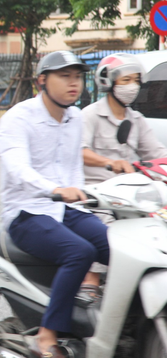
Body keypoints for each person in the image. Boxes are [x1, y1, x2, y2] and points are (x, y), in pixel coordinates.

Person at [0, 51, 109, 358]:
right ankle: (46, 335)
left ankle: (111, 323)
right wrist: (57, 189)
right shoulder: (17, 119)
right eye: (65, 77)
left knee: (116, 244)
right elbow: (19, 172)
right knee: (79, 252)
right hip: (26, 211)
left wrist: (84, 197)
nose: (74, 84)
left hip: (66, 209)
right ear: (42, 81)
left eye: (78, 77)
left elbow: (73, 169)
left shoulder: (74, 117)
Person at [80, 53, 167, 293]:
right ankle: (91, 281)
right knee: (107, 233)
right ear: (108, 82)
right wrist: (110, 163)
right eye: (125, 80)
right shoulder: (90, 115)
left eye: (136, 80)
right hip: (97, 200)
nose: (133, 86)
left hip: (131, 199)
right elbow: (80, 151)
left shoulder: (136, 119)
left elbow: (156, 152)